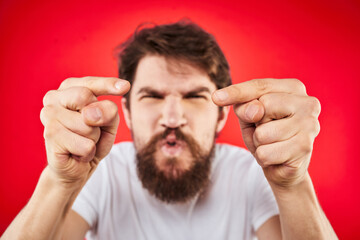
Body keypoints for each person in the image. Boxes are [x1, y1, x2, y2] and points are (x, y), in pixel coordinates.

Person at [2, 20, 337, 240]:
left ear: (222, 117)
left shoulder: (252, 175)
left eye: (193, 96)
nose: (173, 118)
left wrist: (293, 184)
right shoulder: (101, 175)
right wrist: (59, 182)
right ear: (128, 113)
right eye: (152, 96)